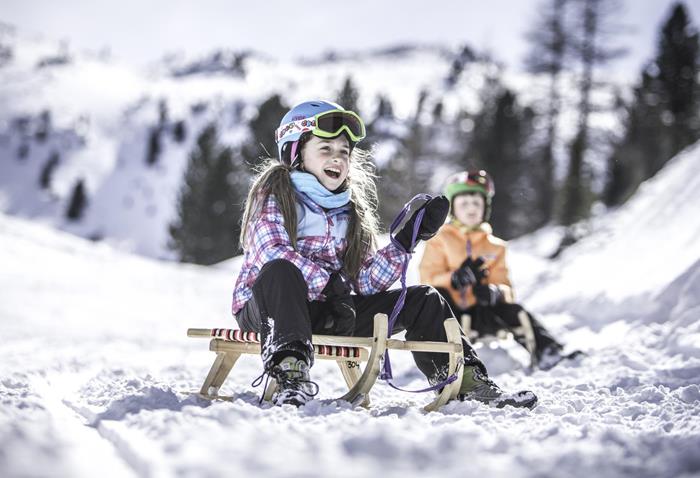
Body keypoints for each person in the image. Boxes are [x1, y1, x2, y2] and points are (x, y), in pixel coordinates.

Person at [232, 100, 537, 409]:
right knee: (281, 271)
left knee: (424, 300)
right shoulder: (274, 195)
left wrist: (406, 241)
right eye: (325, 149)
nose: (337, 158)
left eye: (343, 152)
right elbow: (271, 252)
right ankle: (290, 373)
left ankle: (466, 380)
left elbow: (366, 281)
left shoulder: (349, 211)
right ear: (294, 153)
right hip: (270, 311)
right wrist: (328, 283)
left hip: (332, 312)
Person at [419, 170, 581, 370]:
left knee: (514, 310)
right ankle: (444, 362)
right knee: (438, 296)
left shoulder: (495, 246)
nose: (471, 209)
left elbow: (506, 285)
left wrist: (496, 291)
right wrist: (454, 278)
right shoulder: (439, 240)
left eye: (476, 203)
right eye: (464, 204)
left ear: (485, 208)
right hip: (452, 315)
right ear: (454, 209)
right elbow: (427, 278)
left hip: (482, 313)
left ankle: (548, 351)